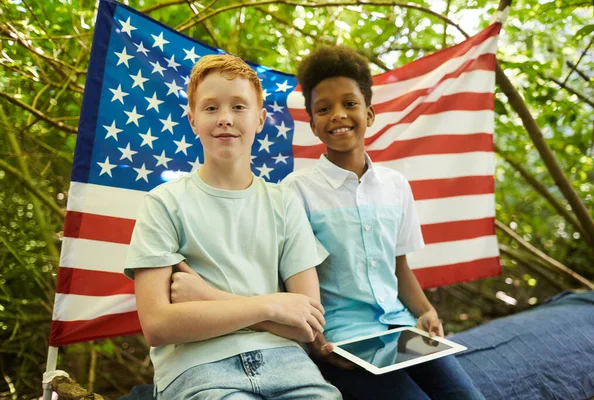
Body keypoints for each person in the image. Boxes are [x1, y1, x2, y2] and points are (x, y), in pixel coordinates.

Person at [125, 54, 342, 400]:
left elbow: (307, 321)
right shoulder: (163, 204)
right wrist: (271, 306)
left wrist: (207, 298)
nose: (225, 118)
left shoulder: (283, 203)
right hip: (199, 371)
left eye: (239, 107)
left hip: (289, 366)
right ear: (192, 119)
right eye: (211, 108)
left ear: (260, 119)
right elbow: (158, 325)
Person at [281, 45, 485, 400]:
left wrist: (425, 311)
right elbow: (292, 281)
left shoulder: (395, 186)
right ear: (313, 125)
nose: (338, 115)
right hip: (342, 342)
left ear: (370, 113)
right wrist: (315, 342)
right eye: (324, 109)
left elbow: (399, 267)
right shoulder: (296, 191)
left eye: (350, 103)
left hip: (403, 331)